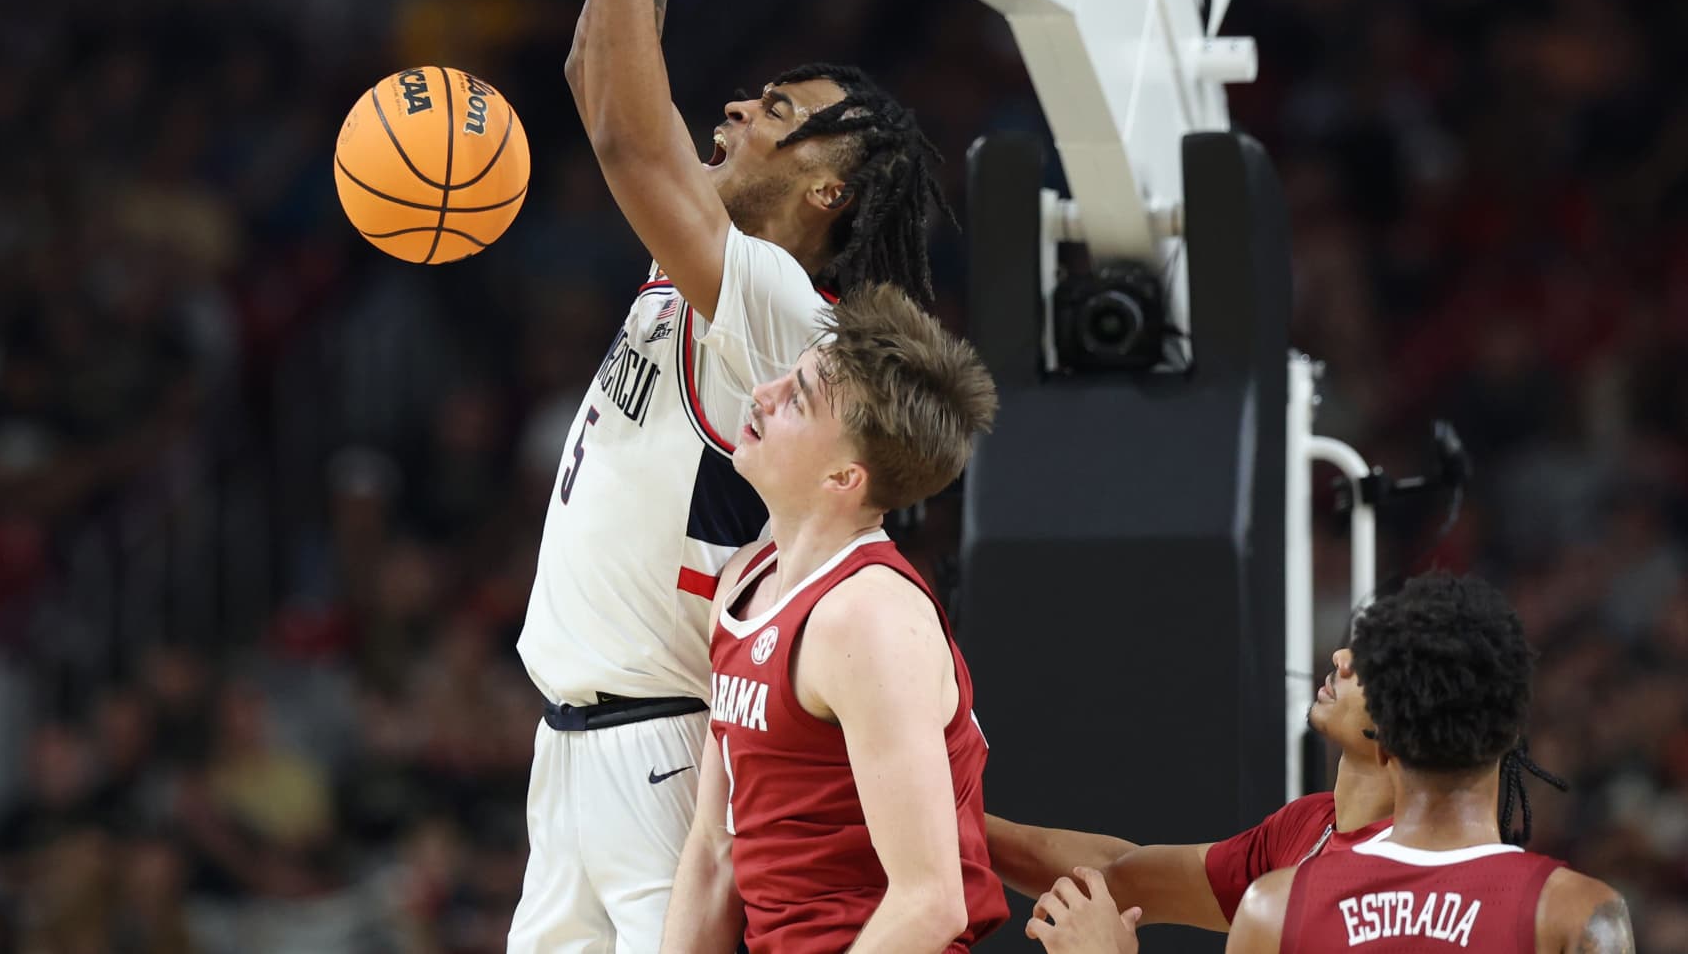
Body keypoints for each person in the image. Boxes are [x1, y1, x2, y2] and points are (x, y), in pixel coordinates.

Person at [508, 0, 956, 953]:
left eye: (776, 115)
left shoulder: (784, 314)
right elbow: (598, 82)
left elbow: (623, 143)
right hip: (576, 745)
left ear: (826, 195)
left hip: (662, 750)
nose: (733, 112)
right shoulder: (704, 273)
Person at [1025, 572, 1635, 954]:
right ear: (1510, 734)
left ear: (1388, 743)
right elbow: (1121, 868)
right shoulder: (1580, 914)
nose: (1342, 658)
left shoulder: (1276, 908)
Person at [659, 284, 1007, 953]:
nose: (763, 392)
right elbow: (713, 850)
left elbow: (930, 902)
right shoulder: (743, 580)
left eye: (797, 397)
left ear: (844, 478)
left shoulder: (868, 619)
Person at [985, 637, 1565, 929]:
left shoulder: (1405, 892)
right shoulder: (1310, 826)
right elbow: (1123, 873)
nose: (1342, 657)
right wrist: (941, 819)